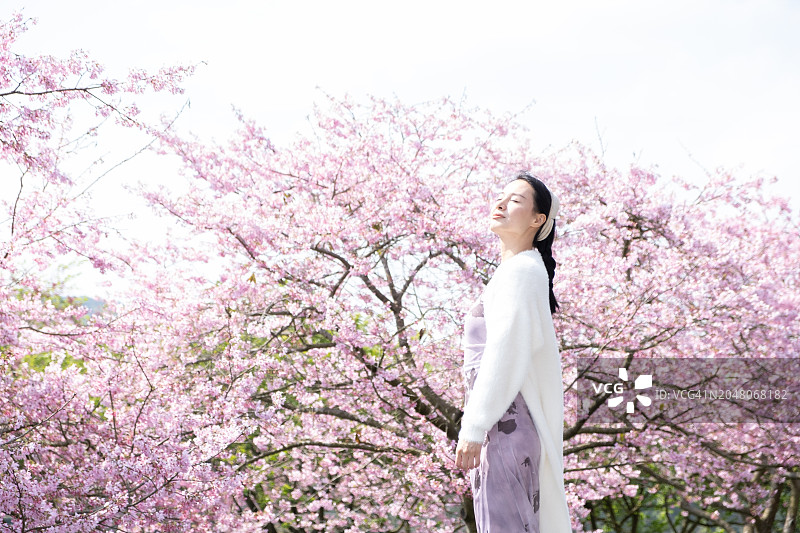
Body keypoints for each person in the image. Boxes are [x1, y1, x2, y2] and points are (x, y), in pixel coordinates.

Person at [455, 174, 571, 532]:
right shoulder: (520, 270)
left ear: (538, 219)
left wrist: (474, 427)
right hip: (505, 429)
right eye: (500, 196)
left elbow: (505, 353)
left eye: (516, 200)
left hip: (505, 429)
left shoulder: (521, 272)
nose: (501, 204)